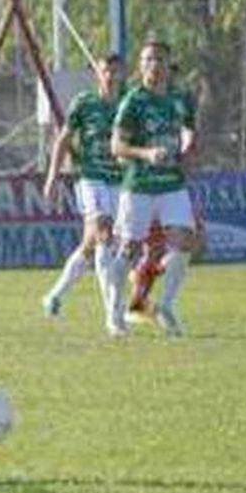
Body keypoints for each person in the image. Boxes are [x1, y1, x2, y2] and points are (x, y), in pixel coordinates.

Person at [108, 40, 198, 337]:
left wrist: (187, 142)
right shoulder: (133, 101)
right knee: (127, 250)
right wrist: (146, 153)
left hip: (172, 183)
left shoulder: (180, 98)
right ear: (140, 66)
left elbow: (187, 128)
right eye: (147, 60)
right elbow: (116, 146)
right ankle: (114, 314)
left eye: (159, 59)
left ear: (168, 65)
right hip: (139, 186)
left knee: (184, 242)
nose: (154, 65)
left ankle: (166, 307)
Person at [40, 54, 123, 327]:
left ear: (121, 74)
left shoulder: (128, 105)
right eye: (104, 71)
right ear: (96, 74)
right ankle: (113, 315)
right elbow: (64, 139)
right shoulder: (84, 103)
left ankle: (54, 295)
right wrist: (53, 176)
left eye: (114, 71)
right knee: (103, 234)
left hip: (118, 182)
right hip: (89, 179)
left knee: (91, 246)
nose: (109, 76)